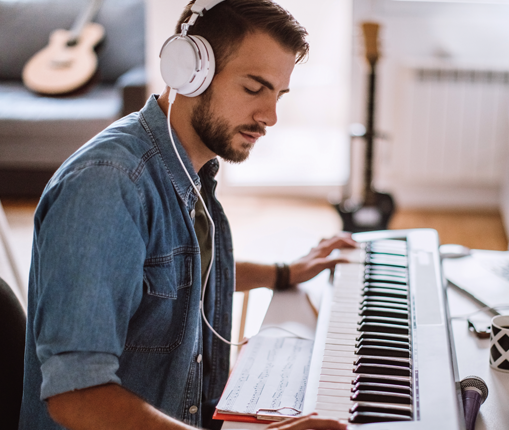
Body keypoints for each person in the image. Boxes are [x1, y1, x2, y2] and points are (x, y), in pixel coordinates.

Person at [18, 1, 354, 429]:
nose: (270, 117)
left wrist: (285, 272)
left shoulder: (185, 168)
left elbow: (178, 274)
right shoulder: (107, 187)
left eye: (278, 94)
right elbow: (77, 398)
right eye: (254, 89)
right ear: (188, 71)